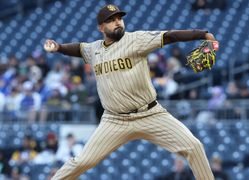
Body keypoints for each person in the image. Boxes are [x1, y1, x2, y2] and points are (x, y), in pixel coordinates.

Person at [44, 4, 218, 179]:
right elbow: (79, 49)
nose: (117, 23)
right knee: (82, 162)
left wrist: (202, 34)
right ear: (101, 27)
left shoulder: (136, 40)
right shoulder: (94, 49)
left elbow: (170, 35)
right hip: (114, 120)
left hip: (151, 114)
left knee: (194, 147)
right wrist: (59, 47)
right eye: (111, 20)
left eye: (119, 18)